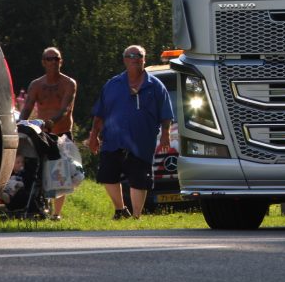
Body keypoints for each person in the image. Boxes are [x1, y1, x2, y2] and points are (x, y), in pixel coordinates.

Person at [87, 45, 173, 220]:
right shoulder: (112, 85)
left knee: (138, 178)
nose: (135, 58)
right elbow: (100, 113)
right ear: (124, 59)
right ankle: (120, 210)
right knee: (108, 175)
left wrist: (166, 134)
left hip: (142, 140)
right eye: (130, 55)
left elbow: (166, 114)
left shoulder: (155, 86)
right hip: (113, 139)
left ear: (144, 59)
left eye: (138, 55)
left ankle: (136, 216)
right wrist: (93, 135)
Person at [20, 47, 77, 220]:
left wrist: (53, 121)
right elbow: (27, 108)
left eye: (57, 59)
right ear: (43, 62)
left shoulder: (69, 83)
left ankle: (56, 213)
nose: (54, 62)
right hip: (42, 133)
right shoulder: (36, 85)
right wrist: (20, 124)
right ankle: (39, 206)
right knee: (41, 169)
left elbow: (65, 108)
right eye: (50, 59)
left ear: (61, 61)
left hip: (62, 132)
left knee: (61, 172)